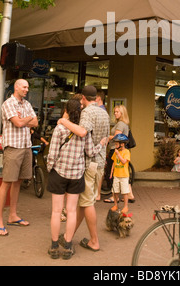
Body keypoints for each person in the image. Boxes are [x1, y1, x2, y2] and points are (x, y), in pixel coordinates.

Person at [47, 98, 107, 259]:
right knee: (72, 211)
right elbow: (90, 152)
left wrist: (50, 168)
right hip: (76, 175)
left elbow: (52, 154)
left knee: (56, 211)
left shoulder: (60, 128)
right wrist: (101, 144)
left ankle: (54, 247)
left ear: (66, 110)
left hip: (59, 173)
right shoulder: (83, 131)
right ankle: (67, 246)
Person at [58, 85, 110, 252]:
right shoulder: (104, 112)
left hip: (90, 163)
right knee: (82, 203)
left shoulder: (88, 111)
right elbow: (106, 139)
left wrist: (64, 121)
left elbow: (82, 132)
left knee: (87, 203)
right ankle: (68, 236)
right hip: (100, 161)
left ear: (83, 98)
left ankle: (94, 241)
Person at [0, 79, 38, 236]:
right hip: (13, 147)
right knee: (6, 183)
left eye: (27, 87)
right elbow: (18, 123)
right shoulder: (8, 103)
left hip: (26, 146)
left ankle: (13, 215)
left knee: (18, 182)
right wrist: (26, 120)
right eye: (24, 87)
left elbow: (36, 122)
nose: (27, 89)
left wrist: (23, 120)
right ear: (16, 87)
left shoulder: (26, 104)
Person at [103, 105, 135, 203]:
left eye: (117, 112)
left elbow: (117, 138)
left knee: (112, 173)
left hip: (116, 150)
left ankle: (115, 197)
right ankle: (130, 195)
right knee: (124, 174)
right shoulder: (124, 124)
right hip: (121, 150)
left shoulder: (120, 124)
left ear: (122, 113)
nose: (115, 113)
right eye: (115, 112)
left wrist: (107, 137)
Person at [110, 133, 131, 214]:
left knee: (125, 192)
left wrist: (118, 154)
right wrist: (111, 172)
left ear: (122, 144)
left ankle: (126, 206)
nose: (115, 146)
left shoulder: (126, 152)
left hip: (124, 175)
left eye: (116, 144)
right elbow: (114, 162)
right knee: (115, 191)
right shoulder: (115, 152)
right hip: (116, 175)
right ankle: (115, 205)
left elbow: (123, 161)